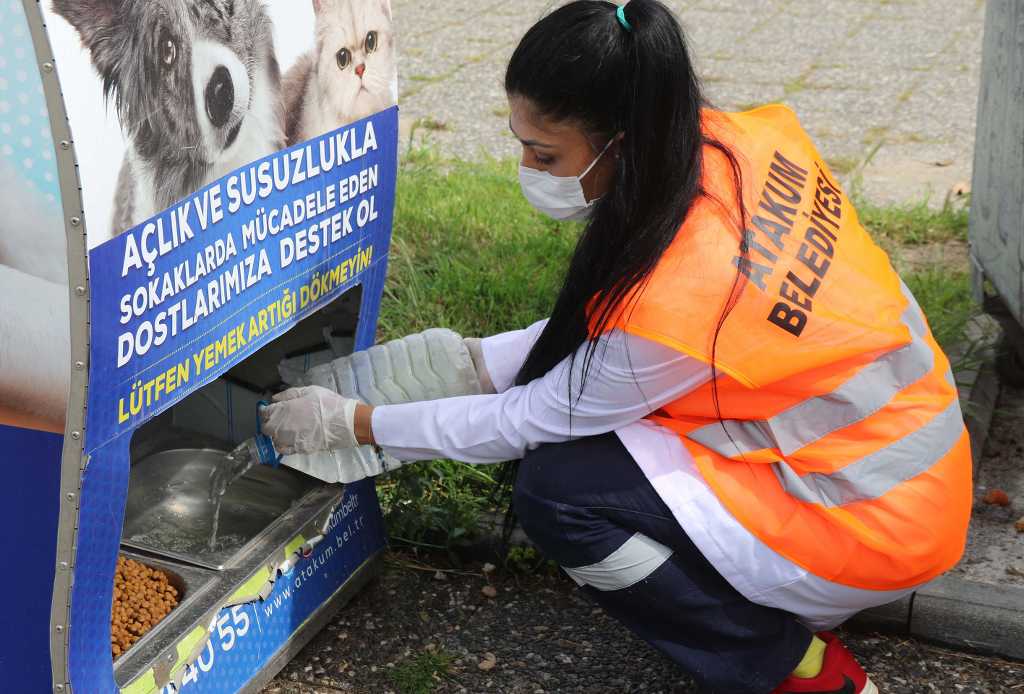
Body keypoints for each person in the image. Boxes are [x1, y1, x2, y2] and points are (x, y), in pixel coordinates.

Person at [261, 1, 972, 692]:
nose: (528, 168)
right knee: (601, 437)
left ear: (618, 142)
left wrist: (357, 424)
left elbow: (538, 415)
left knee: (562, 495)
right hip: (903, 458)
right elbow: (619, 344)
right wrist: (473, 362)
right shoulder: (723, 147)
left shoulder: (696, 283)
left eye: (544, 152)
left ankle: (788, 664)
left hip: (870, 517)